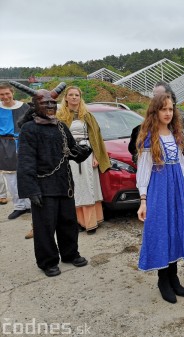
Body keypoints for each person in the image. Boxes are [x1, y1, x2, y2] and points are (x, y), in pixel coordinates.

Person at [11, 81, 91, 277]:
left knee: (68, 222)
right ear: (35, 106)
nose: (49, 106)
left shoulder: (61, 127)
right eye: (44, 103)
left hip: (64, 184)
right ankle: (47, 262)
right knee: (45, 227)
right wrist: (31, 189)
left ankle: (70, 254)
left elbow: (72, 152)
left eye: (52, 103)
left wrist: (84, 152)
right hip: (43, 186)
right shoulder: (29, 129)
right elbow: (26, 162)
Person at [136, 93, 184, 304]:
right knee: (162, 231)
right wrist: (143, 199)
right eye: (163, 109)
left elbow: (182, 166)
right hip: (159, 191)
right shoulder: (149, 138)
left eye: (171, 109)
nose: (168, 113)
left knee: (176, 230)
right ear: (155, 111)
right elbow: (143, 170)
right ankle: (163, 280)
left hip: (177, 190)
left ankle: (173, 277)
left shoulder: (174, 135)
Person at [57, 86, 111, 235]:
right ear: (66, 97)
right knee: (75, 188)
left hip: (87, 155)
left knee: (88, 187)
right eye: (71, 95)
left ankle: (91, 222)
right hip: (69, 156)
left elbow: (96, 138)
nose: (74, 97)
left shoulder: (87, 115)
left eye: (77, 95)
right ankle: (79, 222)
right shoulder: (60, 116)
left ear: (80, 98)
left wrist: (96, 156)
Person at [129, 81, 184, 176]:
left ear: (170, 96)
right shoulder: (144, 128)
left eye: (160, 96)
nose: (156, 99)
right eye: (154, 96)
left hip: (180, 174)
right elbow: (136, 154)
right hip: (157, 176)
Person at [0, 82, 31, 219]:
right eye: (1, 94)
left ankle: (31, 205)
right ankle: (19, 206)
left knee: (28, 175)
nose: (5, 96)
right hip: (5, 145)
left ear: (12, 93)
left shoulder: (25, 107)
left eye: (7, 93)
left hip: (24, 143)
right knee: (11, 178)